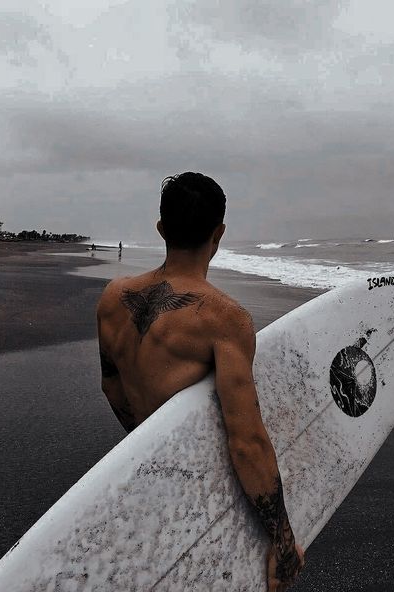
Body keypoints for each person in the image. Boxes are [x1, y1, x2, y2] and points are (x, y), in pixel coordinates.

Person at [96, 172, 305, 591]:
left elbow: (112, 387)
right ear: (219, 233)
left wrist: (146, 441)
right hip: (197, 494)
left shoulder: (112, 298)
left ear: (161, 229)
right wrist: (282, 542)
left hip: (146, 473)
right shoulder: (224, 319)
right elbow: (246, 440)